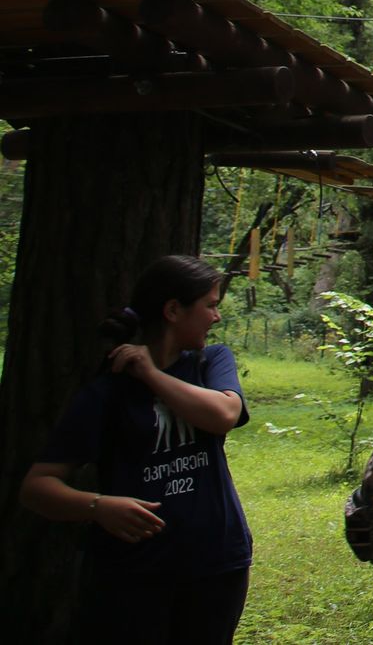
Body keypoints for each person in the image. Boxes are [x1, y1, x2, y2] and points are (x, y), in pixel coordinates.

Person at [19, 254, 252, 644]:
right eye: (210, 305)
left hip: (217, 563)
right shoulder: (108, 391)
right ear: (173, 310)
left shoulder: (211, 361)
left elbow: (224, 414)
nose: (216, 317)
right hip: (135, 573)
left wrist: (150, 374)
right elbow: (36, 487)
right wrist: (98, 506)